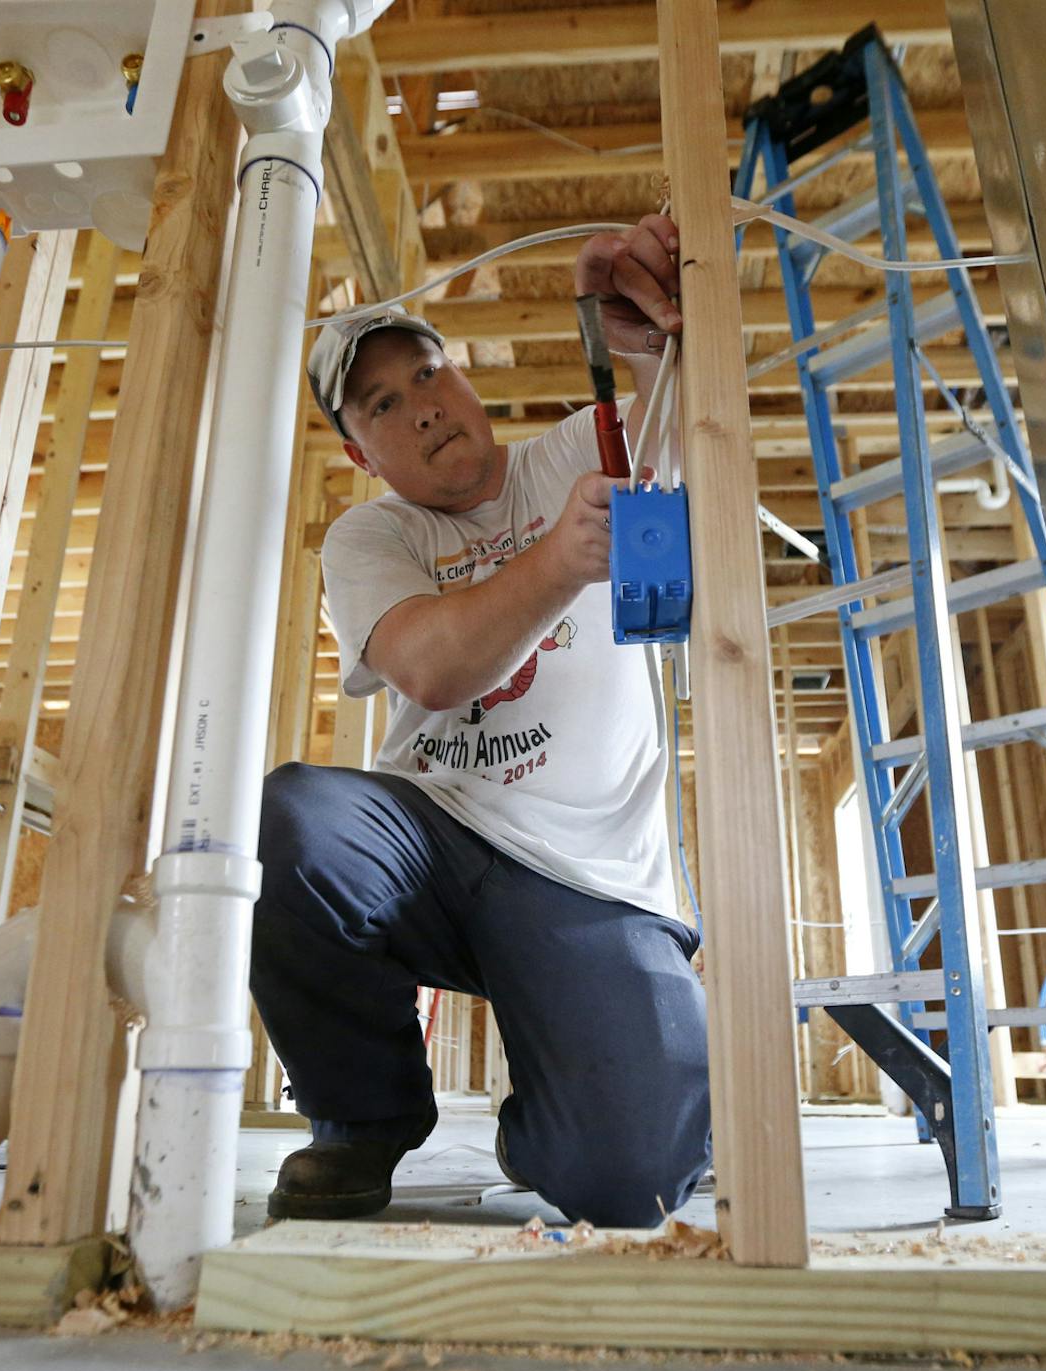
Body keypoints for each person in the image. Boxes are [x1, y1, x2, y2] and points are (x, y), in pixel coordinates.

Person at [251, 214, 708, 1227]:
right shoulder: (372, 535)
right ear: (359, 451)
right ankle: (362, 1120)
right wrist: (555, 563)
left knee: (630, 1180)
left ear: (458, 378)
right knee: (289, 819)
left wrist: (627, 329)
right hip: (431, 848)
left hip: (589, 876)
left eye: (425, 376)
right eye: (381, 404)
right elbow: (433, 664)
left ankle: (552, 1116)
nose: (419, 409)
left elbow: (674, 408)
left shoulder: (565, 460)